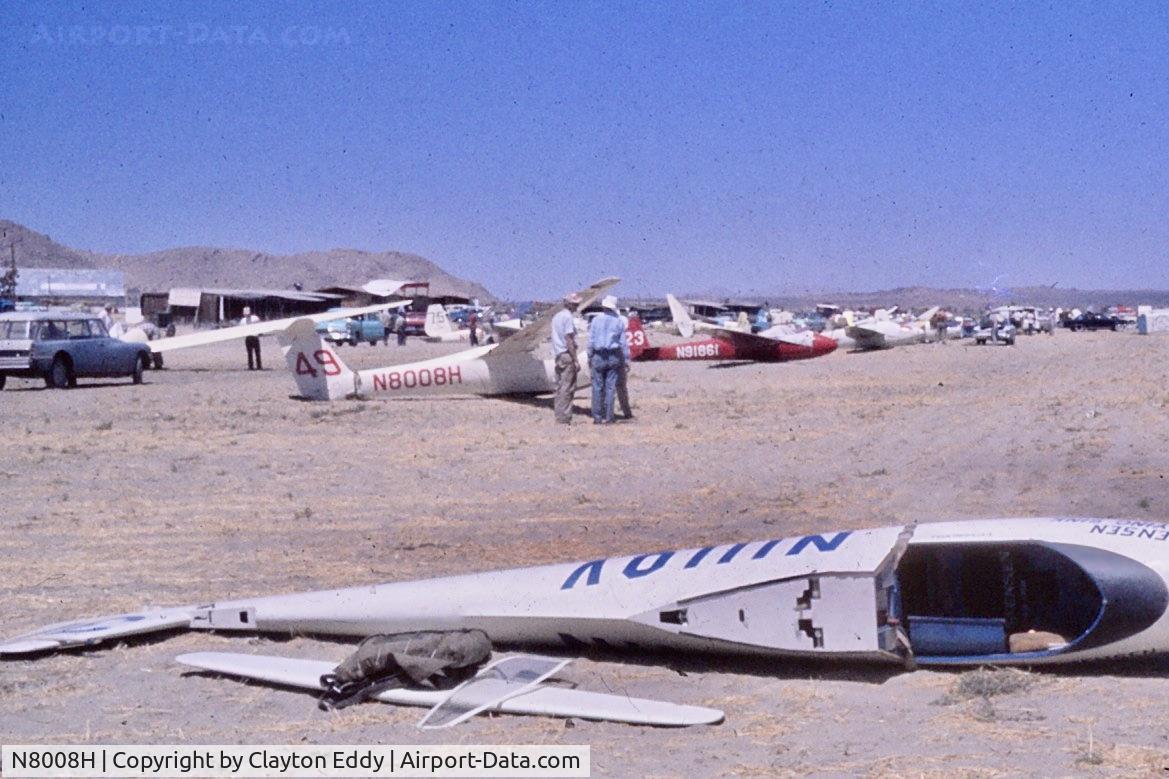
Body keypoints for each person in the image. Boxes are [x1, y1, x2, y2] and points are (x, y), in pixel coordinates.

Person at [587, 295, 625, 425]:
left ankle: (597, 417)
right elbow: (623, 343)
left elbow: (591, 341)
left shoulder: (595, 320)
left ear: (604, 306)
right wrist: (627, 359)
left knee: (597, 387)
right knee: (610, 387)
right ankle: (609, 417)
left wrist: (589, 355)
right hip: (613, 355)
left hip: (598, 355)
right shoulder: (619, 321)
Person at [551, 292, 581, 424]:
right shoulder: (567, 317)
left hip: (558, 354)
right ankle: (565, 416)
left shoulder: (557, 316)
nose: (577, 305)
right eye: (575, 304)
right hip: (566, 354)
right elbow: (569, 339)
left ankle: (559, 414)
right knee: (567, 387)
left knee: (560, 386)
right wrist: (575, 359)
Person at [616, 310, 634, 420]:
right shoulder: (619, 324)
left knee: (606, 388)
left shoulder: (598, 321)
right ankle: (627, 412)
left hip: (602, 357)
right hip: (618, 357)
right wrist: (627, 360)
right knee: (621, 387)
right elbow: (623, 344)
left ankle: (604, 415)